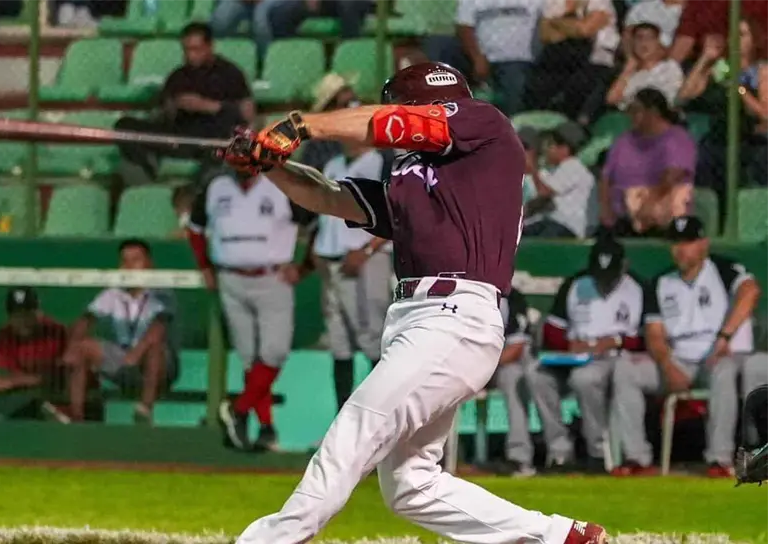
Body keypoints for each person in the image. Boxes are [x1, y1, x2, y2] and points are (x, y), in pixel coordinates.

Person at [218, 62, 607, 544]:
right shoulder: (419, 176)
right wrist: (269, 165)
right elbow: (331, 197)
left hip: (455, 315)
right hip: (418, 320)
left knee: (357, 427)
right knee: (410, 485)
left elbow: (391, 123)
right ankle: (561, 537)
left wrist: (301, 125)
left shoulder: (481, 122)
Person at [612, 216, 763, 478]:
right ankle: (637, 458)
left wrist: (725, 336)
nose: (681, 249)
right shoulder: (661, 282)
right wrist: (668, 365)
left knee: (724, 369)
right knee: (626, 370)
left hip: (716, 356)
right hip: (677, 359)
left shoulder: (724, 269)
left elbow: (750, 292)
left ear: (703, 243)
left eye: (688, 242)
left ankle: (719, 459)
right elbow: (654, 334)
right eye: (675, 243)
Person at [187, 170, 315, 452]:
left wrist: (305, 266)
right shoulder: (216, 185)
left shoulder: (282, 184)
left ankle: (238, 410)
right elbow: (195, 229)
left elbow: (318, 221)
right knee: (249, 359)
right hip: (230, 277)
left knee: (274, 351)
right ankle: (266, 429)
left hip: (272, 277)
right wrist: (204, 265)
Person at [527, 237, 644, 474]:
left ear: (623, 266)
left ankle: (597, 452)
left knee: (584, 379)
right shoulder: (576, 284)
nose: (603, 280)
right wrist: (570, 344)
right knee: (535, 375)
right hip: (573, 355)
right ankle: (559, 452)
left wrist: (613, 341)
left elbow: (644, 337)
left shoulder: (637, 287)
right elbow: (553, 328)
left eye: (609, 274)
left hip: (611, 357)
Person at [113, 22, 254, 184]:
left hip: (210, 138)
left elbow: (247, 116)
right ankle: (149, 174)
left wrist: (206, 106)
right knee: (124, 125)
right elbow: (162, 113)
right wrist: (172, 106)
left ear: (210, 46)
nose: (191, 55)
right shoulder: (178, 76)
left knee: (227, 138)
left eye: (196, 49)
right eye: (187, 50)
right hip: (178, 135)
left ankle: (195, 192)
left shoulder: (230, 73)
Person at [310, 142, 392, 413]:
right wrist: (317, 248)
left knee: (373, 337)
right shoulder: (333, 164)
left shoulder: (383, 161)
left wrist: (368, 249)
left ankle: (380, 419)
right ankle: (341, 425)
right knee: (339, 342)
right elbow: (323, 212)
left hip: (368, 258)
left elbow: (400, 212)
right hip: (333, 259)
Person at [61, 239, 178, 425]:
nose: (129, 267)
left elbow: (158, 328)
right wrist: (72, 346)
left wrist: (137, 353)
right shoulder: (112, 293)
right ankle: (75, 416)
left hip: (159, 368)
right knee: (82, 348)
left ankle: (145, 410)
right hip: (124, 361)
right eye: (125, 261)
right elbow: (87, 319)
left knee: (154, 347)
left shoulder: (163, 292)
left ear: (150, 265)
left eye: (136, 260)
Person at [677, 19, 768, 219]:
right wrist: (704, 59)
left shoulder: (761, 71)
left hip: (748, 140)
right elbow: (684, 97)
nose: (735, 40)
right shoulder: (718, 68)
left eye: (742, 35)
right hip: (716, 137)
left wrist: (739, 88)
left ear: (753, 40)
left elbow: (764, 114)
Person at [598, 87, 695, 237]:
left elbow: (673, 175)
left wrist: (648, 204)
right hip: (622, 217)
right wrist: (605, 210)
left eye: (636, 111)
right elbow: (606, 177)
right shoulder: (623, 141)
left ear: (653, 112)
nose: (631, 116)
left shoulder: (677, 138)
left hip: (659, 217)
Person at [525, 0, 619, 123]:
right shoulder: (553, 3)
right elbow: (546, 35)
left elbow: (585, 30)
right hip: (560, 61)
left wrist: (555, 21)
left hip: (596, 62)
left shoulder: (600, 2)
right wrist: (574, 27)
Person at [455, 0, 543, 115]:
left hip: (520, 59)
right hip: (483, 59)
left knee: (514, 82)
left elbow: (547, 20)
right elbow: (464, 26)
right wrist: (477, 58)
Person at [491, 287, 538, 477]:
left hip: (495, 365)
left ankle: (519, 457)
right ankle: (434, 458)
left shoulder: (512, 297)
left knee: (514, 376)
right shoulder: (458, 292)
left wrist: (482, 367)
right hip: (459, 364)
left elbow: (517, 347)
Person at [522, 121, 595, 239]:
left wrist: (533, 168)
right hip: (552, 224)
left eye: (552, 145)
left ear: (564, 149)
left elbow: (544, 193)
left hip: (568, 228)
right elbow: (542, 202)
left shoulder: (573, 166)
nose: (547, 150)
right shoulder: (558, 170)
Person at [0, 286, 68, 396]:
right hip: (21, 396)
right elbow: (3, 378)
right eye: (17, 316)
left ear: (38, 312)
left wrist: (27, 380)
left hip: (56, 396)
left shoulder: (56, 331)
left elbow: (64, 376)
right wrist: (31, 380)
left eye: (27, 314)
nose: (23, 321)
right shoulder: (5, 334)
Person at [606, 22, 684, 110]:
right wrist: (629, 67)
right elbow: (611, 100)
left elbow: (671, 99)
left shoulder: (670, 67)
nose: (644, 43)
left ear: (658, 42)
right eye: (639, 38)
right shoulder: (630, 75)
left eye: (649, 38)